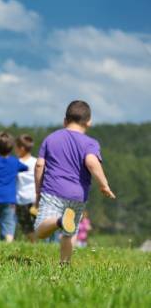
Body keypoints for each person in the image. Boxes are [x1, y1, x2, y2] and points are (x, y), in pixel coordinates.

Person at [34, 100, 115, 264]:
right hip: (78, 196)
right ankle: (64, 265)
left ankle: (59, 221)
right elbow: (92, 163)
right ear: (89, 122)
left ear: (65, 120)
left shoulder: (51, 138)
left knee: (40, 231)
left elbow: (39, 164)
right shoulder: (90, 143)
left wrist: (38, 190)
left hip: (53, 191)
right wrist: (104, 184)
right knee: (69, 232)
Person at [15, 134, 37, 243]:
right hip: (34, 198)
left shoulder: (16, 163)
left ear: (22, 148)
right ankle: (35, 243)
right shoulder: (36, 161)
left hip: (22, 199)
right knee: (29, 226)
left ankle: (34, 243)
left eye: (16, 147)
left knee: (27, 226)